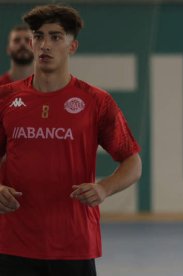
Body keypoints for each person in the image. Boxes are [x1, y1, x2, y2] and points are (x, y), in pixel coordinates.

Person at [0, 4, 142, 276]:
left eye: (55, 37)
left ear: (72, 46)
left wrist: (104, 189)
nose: (45, 45)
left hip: (74, 244)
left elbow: (132, 162)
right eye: (39, 36)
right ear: (31, 43)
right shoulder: (5, 98)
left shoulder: (96, 102)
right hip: (12, 244)